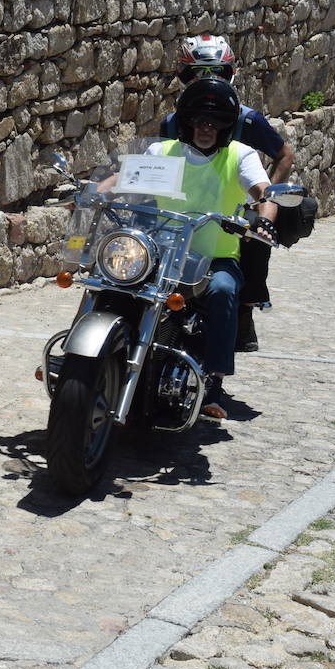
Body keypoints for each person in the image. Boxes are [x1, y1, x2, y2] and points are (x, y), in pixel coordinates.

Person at [145, 75, 278, 421]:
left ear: (226, 125)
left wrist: (264, 219)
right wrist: (96, 190)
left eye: (215, 121)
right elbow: (129, 180)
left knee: (222, 290)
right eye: (200, 119)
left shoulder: (240, 155)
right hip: (163, 253)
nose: (206, 127)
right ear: (186, 121)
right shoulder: (162, 152)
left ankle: (214, 381)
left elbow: (264, 192)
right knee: (116, 277)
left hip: (216, 257)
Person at [164, 34, 294, 352]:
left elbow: (284, 155)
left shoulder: (248, 119)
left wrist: (262, 201)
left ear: (230, 74)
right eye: (198, 73)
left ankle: (245, 311)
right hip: (188, 208)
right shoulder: (173, 122)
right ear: (184, 76)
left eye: (216, 72)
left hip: (234, 208)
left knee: (255, 244)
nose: (207, 80)